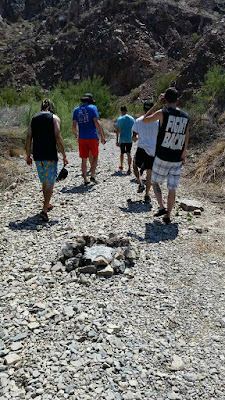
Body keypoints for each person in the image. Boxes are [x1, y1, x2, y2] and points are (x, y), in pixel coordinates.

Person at [142, 88, 190, 224]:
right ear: (178, 100)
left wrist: (157, 104)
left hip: (162, 156)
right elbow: (187, 136)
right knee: (172, 188)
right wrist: (184, 154)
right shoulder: (186, 117)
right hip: (177, 158)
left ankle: (162, 206)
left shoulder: (162, 113)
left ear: (165, 100)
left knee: (155, 182)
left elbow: (144, 120)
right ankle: (168, 216)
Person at [26, 98, 68, 222]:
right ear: (52, 107)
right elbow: (58, 136)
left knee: (45, 181)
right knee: (50, 182)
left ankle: (47, 204)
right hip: (50, 155)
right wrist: (64, 154)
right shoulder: (54, 118)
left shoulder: (33, 118)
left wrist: (28, 155)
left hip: (38, 155)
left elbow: (29, 136)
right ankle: (44, 210)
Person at [73, 93, 106, 185]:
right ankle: (92, 175)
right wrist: (102, 136)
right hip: (92, 136)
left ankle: (85, 179)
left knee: (84, 158)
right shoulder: (92, 108)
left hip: (82, 137)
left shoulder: (76, 110)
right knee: (95, 156)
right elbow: (97, 122)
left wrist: (76, 134)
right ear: (90, 101)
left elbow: (74, 125)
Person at [132, 100, 159, 203]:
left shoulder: (138, 120)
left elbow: (134, 138)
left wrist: (136, 138)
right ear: (153, 110)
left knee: (135, 166)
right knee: (149, 173)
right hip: (153, 149)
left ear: (143, 109)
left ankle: (140, 183)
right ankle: (147, 195)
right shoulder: (158, 121)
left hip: (141, 148)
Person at [116, 106, 134, 174]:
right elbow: (134, 129)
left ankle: (121, 165)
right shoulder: (132, 119)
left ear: (121, 111)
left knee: (122, 153)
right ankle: (129, 168)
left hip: (122, 139)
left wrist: (117, 140)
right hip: (129, 138)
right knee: (129, 153)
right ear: (127, 110)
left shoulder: (120, 119)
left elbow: (118, 130)